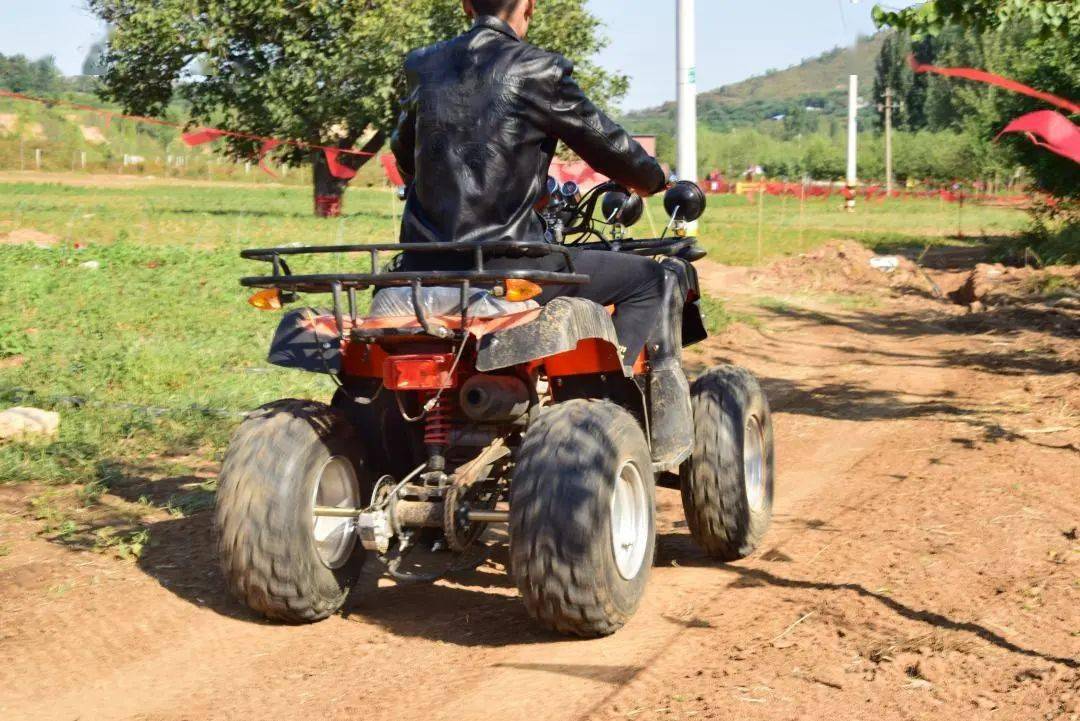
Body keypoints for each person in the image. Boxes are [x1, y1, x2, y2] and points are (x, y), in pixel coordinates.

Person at [390, 0, 692, 465]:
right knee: (650, 280)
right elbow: (608, 146)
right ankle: (615, 411)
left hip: (421, 267)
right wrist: (653, 180)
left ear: (466, 5)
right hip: (512, 264)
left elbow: (404, 152)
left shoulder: (422, 65)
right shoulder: (539, 70)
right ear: (528, 4)